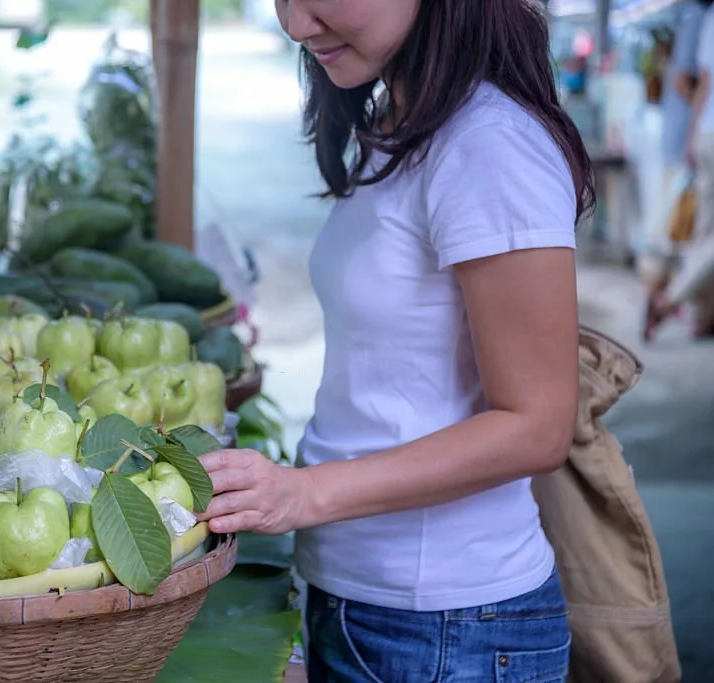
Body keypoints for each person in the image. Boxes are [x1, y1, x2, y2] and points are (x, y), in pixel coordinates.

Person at [197, 2, 594, 681]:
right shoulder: (400, 118)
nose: (294, 24)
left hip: (448, 629)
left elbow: (538, 425)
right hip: (375, 605)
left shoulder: (490, 144)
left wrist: (303, 493)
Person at [643, 0, 714, 341]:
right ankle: (670, 299)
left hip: (705, 134)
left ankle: (703, 314)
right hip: (704, 135)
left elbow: (703, 83)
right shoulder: (702, 17)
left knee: (701, 232)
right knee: (701, 234)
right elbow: (699, 81)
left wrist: (693, 135)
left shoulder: (707, 18)